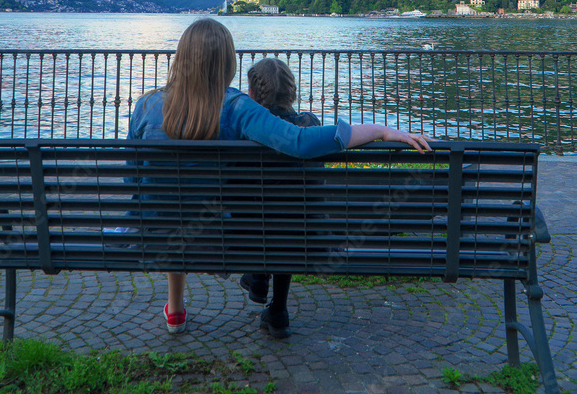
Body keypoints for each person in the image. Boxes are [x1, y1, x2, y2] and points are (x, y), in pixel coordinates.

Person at [127, 18, 431, 335]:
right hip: (217, 241)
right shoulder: (236, 107)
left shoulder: (145, 104)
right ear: (228, 62)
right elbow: (300, 142)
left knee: (172, 204)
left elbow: (133, 177)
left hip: (153, 234)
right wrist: (380, 131)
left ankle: (175, 310)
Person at [238, 56, 321, 338]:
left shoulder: (245, 132)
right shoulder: (310, 125)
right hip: (301, 233)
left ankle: (259, 276)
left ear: (251, 93)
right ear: (292, 92)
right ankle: (279, 311)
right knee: (289, 216)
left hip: (250, 232)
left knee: (258, 210)